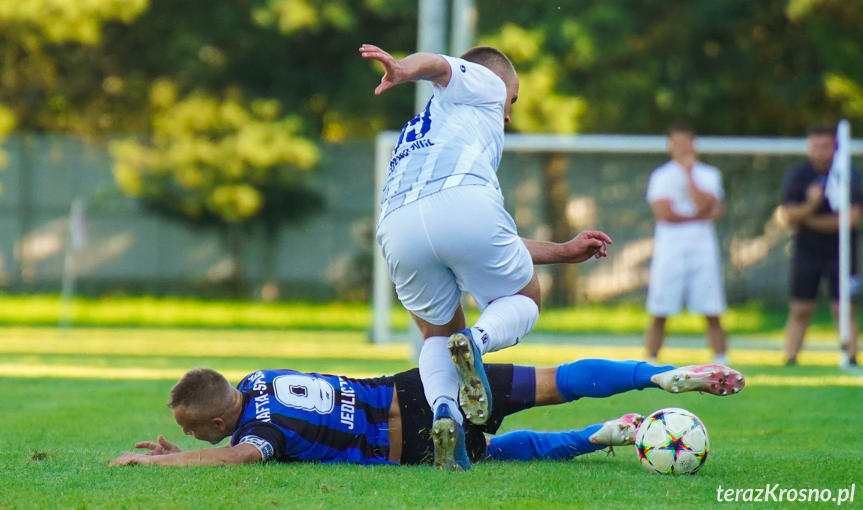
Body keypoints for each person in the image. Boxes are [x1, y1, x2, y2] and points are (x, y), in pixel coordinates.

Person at [358, 43, 613, 470]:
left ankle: (444, 413)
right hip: (463, 202)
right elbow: (436, 63)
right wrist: (403, 70)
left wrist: (564, 251)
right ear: (501, 84)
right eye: (513, 100)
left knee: (438, 336)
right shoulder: (488, 84)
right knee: (525, 299)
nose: (508, 114)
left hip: (396, 226)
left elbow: (485, 238)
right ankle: (476, 342)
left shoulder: (424, 129)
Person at [110, 360, 745, 468]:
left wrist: (157, 465)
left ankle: (606, 436)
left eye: (192, 431)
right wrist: (187, 445)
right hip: (420, 384)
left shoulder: (262, 432)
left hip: (410, 444)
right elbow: (224, 437)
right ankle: (654, 377)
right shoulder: (256, 382)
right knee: (554, 381)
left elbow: (236, 455)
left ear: (220, 424)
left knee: (492, 453)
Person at [644, 122, 728, 364]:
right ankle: (651, 359)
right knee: (660, 308)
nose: (682, 148)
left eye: (686, 141)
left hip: (703, 249)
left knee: (712, 307)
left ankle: (721, 359)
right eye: (677, 142)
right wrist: (697, 215)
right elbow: (665, 213)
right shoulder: (661, 176)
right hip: (670, 249)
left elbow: (711, 207)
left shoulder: (709, 174)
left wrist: (690, 177)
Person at [780, 123, 863, 367]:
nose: (820, 151)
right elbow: (787, 216)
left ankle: (850, 356)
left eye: (826, 146)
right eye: (815, 146)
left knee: (843, 307)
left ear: (835, 148)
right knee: (801, 308)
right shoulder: (798, 175)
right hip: (806, 252)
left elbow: (852, 218)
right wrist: (811, 205)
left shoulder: (850, 174)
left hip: (842, 253)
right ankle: (790, 358)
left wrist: (808, 219)